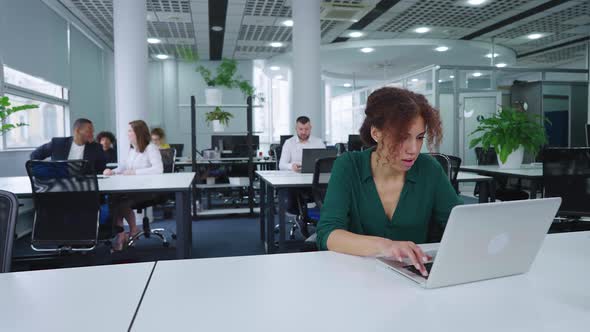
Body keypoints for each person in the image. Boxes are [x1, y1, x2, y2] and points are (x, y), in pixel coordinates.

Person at [316, 87, 462, 277]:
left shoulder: (429, 168)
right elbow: (328, 234)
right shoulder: (349, 166)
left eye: (419, 138)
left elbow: (458, 223)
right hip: (356, 276)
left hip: (415, 277)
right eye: (402, 138)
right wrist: (386, 246)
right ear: (376, 133)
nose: (413, 149)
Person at [103, 120, 163, 251]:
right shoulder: (132, 149)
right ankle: (122, 233)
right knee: (113, 199)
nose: (127, 133)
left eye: (130, 131)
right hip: (131, 188)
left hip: (148, 189)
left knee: (120, 201)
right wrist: (112, 171)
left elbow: (158, 169)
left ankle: (131, 231)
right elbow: (124, 166)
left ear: (138, 133)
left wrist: (135, 173)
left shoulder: (150, 148)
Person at [30, 118, 106, 174]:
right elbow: (34, 155)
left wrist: (106, 171)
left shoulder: (96, 148)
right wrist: (48, 171)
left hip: (85, 188)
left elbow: (101, 169)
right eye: (89, 131)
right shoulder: (58, 144)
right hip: (59, 186)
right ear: (77, 130)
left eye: (92, 131)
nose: (92, 134)